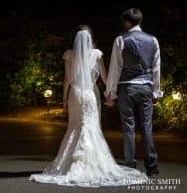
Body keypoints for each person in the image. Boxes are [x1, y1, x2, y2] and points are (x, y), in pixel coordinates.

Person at [29, 25, 148, 187]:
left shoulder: (69, 55)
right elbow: (105, 78)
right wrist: (111, 94)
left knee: (75, 126)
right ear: (89, 40)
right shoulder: (96, 54)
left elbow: (67, 79)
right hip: (90, 94)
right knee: (91, 126)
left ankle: (71, 163)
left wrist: (63, 99)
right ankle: (94, 163)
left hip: (75, 94)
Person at [104, 8, 163, 177]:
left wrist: (111, 94)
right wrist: (156, 93)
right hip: (145, 88)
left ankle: (130, 165)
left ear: (127, 22)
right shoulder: (153, 40)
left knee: (128, 128)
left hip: (126, 88)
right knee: (147, 127)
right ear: (140, 21)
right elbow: (156, 69)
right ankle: (152, 167)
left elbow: (115, 69)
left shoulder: (120, 40)